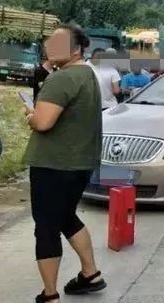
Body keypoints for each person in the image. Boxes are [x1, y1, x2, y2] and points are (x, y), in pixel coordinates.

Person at [23, 24, 106, 302]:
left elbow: (43, 122)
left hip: (54, 165)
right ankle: (90, 274)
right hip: (80, 163)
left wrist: (30, 116)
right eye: (49, 41)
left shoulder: (61, 79)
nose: (50, 46)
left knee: (46, 226)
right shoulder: (87, 74)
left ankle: (49, 294)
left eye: (58, 43)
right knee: (65, 217)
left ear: (76, 49)